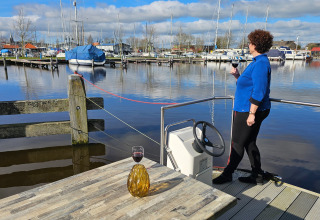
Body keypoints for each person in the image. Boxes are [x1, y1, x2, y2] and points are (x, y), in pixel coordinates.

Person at [212, 29, 273, 185]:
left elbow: (259, 90)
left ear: (255, 45)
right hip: (250, 108)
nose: (248, 44)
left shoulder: (260, 63)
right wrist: (237, 76)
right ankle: (257, 175)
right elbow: (248, 85)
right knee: (249, 142)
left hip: (248, 110)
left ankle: (227, 174)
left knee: (238, 143)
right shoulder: (258, 62)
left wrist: (252, 113)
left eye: (250, 42)